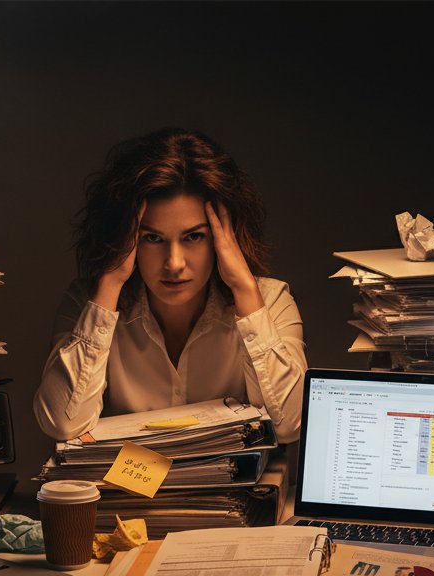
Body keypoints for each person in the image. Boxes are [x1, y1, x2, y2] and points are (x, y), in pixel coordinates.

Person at [34, 127, 306, 444]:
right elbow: (62, 424)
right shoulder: (88, 303)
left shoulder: (270, 302)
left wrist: (245, 290)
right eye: (152, 238)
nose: (174, 262)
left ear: (224, 238)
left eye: (193, 237)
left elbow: (289, 427)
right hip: (127, 492)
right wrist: (110, 283)